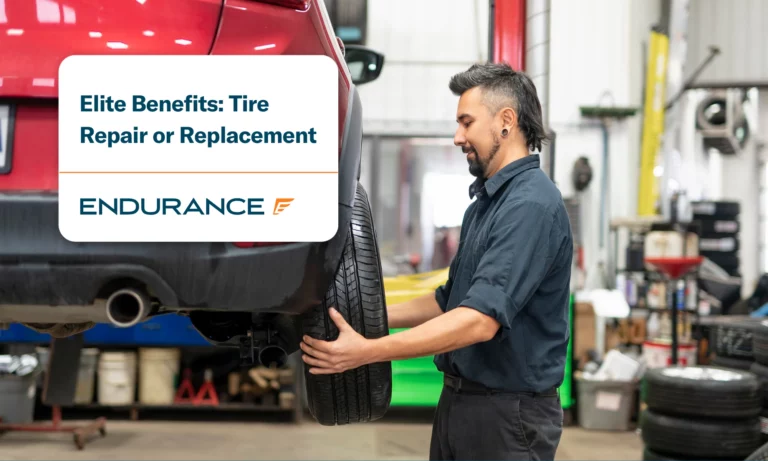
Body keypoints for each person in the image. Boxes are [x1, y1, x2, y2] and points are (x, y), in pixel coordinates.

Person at [300, 62, 573, 461]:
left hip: (508, 416)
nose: (457, 136)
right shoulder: (485, 204)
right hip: (462, 402)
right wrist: (361, 317)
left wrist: (368, 350)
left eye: (466, 122)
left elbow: (479, 319)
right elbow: (449, 301)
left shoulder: (529, 205)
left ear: (506, 122)